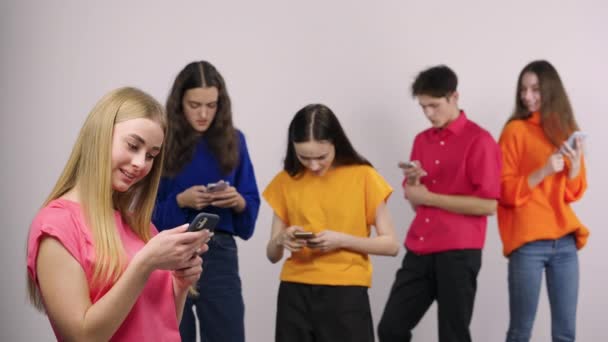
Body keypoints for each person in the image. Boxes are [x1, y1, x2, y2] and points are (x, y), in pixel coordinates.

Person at [26, 87, 210, 341]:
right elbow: (82, 337)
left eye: (151, 155)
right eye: (133, 145)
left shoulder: (142, 227)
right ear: (99, 136)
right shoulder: (57, 226)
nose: (140, 163)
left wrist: (179, 286)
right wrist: (145, 264)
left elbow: (161, 325)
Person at [378, 65, 502, 342]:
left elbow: (489, 206)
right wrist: (413, 184)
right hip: (420, 248)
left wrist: (429, 197)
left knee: (453, 336)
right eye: (423, 107)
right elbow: (416, 203)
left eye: (434, 105)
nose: (429, 114)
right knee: (391, 329)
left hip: (458, 253)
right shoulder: (421, 141)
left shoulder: (480, 141)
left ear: (454, 96)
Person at [264, 103, 399, 342]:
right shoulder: (286, 180)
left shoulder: (363, 176)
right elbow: (272, 255)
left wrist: (341, 240)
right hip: (294, 292)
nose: (313, 165)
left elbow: (391, 245)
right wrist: (281, 239)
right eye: (304, 157)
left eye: (321, 157)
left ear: (335, 142)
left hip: (346, 293)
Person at [153, 61, 260, 342]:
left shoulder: (234, 141)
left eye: (211, 105)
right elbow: (143, 216)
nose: (203, 114)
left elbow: (249, 216)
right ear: (179, 103)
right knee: (174, 336)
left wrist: (237, 201)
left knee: (228, 335)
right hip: (170, 252)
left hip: (220, 251)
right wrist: (180, 200)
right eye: (194, 104)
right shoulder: (160, 141)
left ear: (220, 104)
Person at [498, 60, 589, 342]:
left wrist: (573, 171)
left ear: (550, 90)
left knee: (565, 333)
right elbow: (503, 191)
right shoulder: (514, 131)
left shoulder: (565, 129)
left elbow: (573, 193)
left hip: (564, 243)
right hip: (527, 244)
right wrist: (543, 171)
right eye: (524, 89)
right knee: (520, 332)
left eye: (535, 89)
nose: (527, 96)